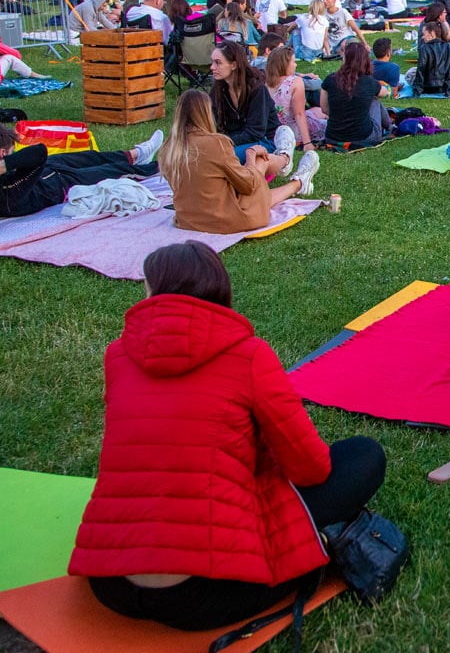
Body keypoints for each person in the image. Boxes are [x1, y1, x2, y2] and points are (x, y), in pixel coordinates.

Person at [69, 242, 382, 629]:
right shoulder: (249, 355)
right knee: (363, 457)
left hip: (110, 584)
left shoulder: (117, 356)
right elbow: (311, 470)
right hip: (204, 595)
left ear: (154, 293)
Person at [161, 91, 318, 233]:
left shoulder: (168, 149)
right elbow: (248, 184)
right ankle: (290, 167)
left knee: (256, 169)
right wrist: (250, 156)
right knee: (259, 162)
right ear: (206, 113)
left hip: (189, 221)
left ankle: (291, 168)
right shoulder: (216, 143)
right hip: (226, 221)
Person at [0, 120, 164, 217]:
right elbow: (37, 153)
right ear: (2, 154)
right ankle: (162, 165)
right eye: (12, 151)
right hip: (60, 184)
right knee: (111, 171)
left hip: (47, 170)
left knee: (91, 156)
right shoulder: (4, 193)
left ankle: (137, 154)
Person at [210, 40, 285, 163]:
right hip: (233, 140)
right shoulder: (219, 89)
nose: (212, 67)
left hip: (263, 141)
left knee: (222, 159)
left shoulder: (256, 88)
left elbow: (255, 132)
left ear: (234, 65)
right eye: (212, 62)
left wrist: (222, 142)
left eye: (218, 63)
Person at [320, 42, 392, 148]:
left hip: (333, 137)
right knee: (374, 99)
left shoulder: (330, 79)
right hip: (364, 137)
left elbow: (325, 110)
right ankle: (390, 127)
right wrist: (385, 87)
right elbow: (385, 93)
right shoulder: (369, 82)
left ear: (345, 59)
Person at [266, 47, 327, 155]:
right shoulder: (295, 82)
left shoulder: (265, 83)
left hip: (274, 131)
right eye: (293, 62)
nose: (296, 65)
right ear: (285, 64)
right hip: (293, 131)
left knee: (317, 111)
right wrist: (307, 142)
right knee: (325, 123)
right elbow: (299, 114)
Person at [414, 20, 450, 97]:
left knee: (410, 73)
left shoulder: (424, 48)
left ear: (432, 34)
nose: (423, 37)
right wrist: (449, 92)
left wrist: (416, 92)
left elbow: (420, 71)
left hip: (427, 88)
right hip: (442, 88)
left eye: (424, 34)